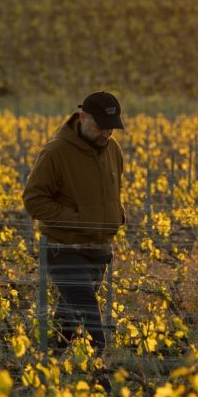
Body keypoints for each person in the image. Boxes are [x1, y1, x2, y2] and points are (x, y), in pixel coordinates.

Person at [22, 91, 126, 357]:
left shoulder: (112, 149)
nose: (106, 133)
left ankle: (49, 361)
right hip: (63, 247)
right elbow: (34, 200)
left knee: (69, 316)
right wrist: (79, 221)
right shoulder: (56, 152)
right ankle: (103, 362)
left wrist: (116, 215)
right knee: (87, 309)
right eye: (101, 126)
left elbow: (113, 190)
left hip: (99, 248)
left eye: (111, 128)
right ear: (82, 117)